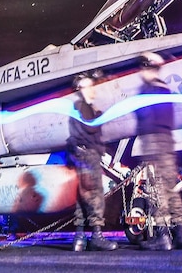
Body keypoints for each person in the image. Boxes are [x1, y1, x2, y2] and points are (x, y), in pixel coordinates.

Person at [134, 51, 182, 251]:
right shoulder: (165, 89)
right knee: (171, 187)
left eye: (142, 68)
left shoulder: (148, 91)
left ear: (148, 68)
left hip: (153, 141)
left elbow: (145, 118)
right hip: (167, 141)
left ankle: (162, 235)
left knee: (156, 189)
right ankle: (180, 234)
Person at [67, 72, 118, 252]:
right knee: (95, 195)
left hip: (81, 155)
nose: (92, 90)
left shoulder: (77, 107)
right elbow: (90, 128)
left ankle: (79, 239)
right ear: (80, 90)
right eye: (88, 87)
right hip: (88, 156)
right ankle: (96, 236)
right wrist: (99, 116)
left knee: (83, 196)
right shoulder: (83, 107)